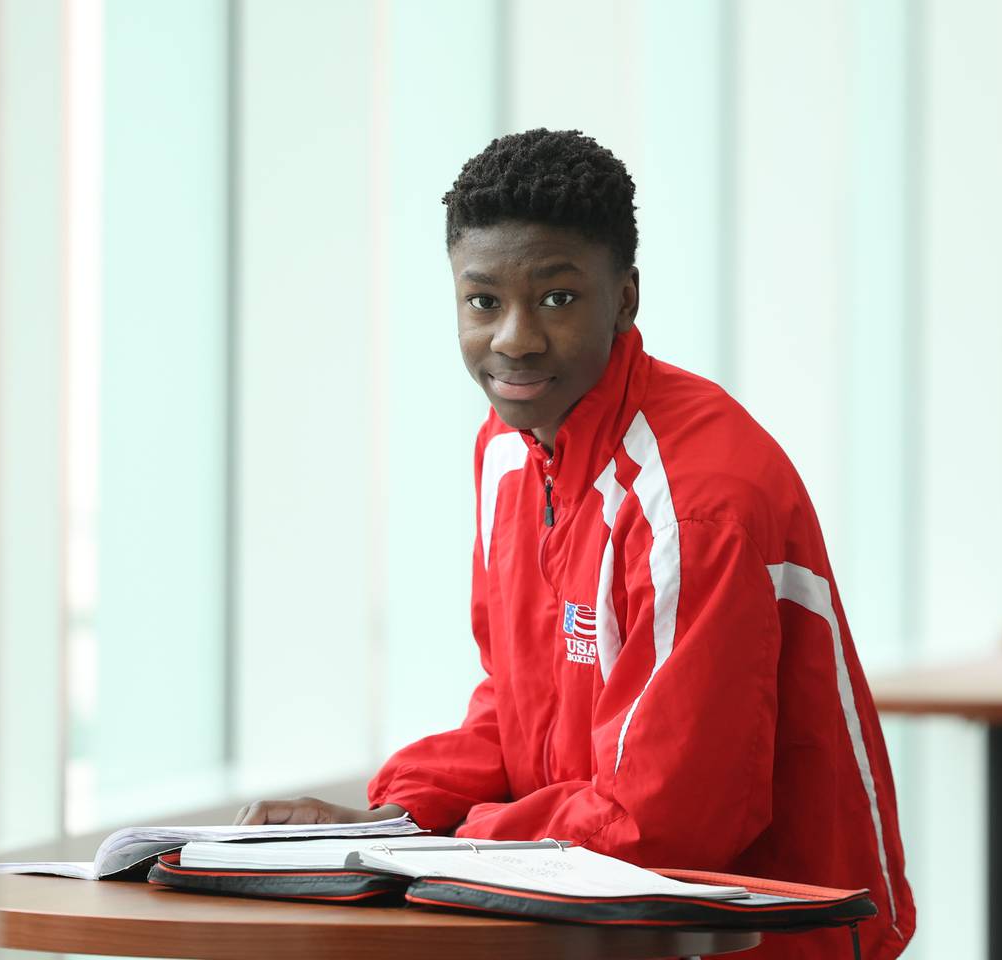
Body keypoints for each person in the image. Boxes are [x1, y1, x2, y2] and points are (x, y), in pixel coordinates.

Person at [235, 128, 915, 959]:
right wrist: (400, 812)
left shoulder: (696, 504)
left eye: (557, 298)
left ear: (625, 298)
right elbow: (521, 710)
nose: (514, 339)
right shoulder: (509, 452)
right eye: (483, 301)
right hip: (586, 916)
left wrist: (448, 843)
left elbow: (665, 824)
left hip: (760, 936)